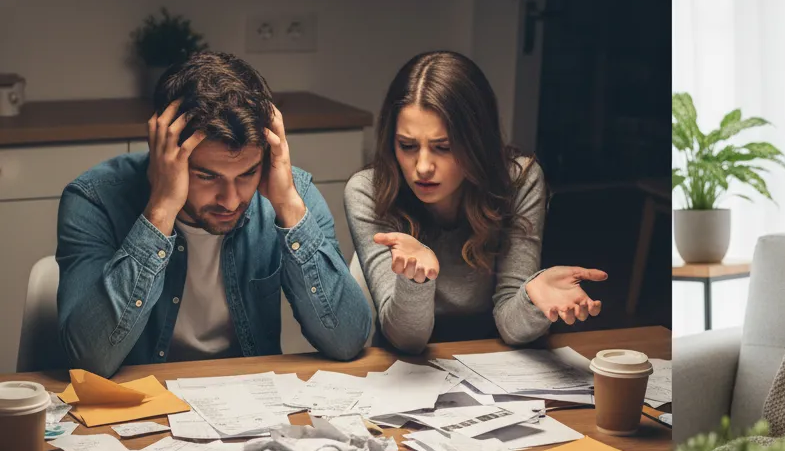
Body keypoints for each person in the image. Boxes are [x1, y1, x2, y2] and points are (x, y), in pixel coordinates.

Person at [56, 51, 372, 377]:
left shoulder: (290, 193)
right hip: (141, 407)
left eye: (247, 174)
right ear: (163, 154)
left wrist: (289, 206)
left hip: (248, 406)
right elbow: (89, 361)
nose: (231, 201)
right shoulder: (94, 200)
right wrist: (162, 209)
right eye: (207, 176)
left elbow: (346, 340)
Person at [345, 50, 605, 353]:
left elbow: (512, 328)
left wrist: (532, 299)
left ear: (476, 141)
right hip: (404, 369)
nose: (423, 167)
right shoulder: (369, 191)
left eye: (443, 147)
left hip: (496, 358)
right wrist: (416, 280)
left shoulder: (517, 180)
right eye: (407, 146)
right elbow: (406, 339)